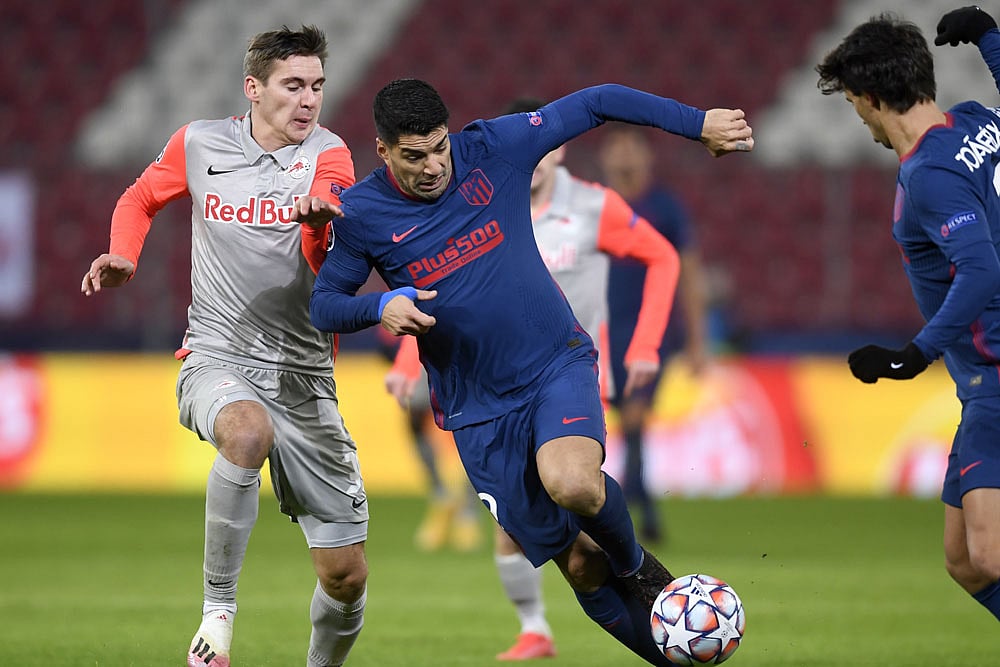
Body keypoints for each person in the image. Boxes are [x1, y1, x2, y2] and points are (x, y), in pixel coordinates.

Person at [309, 78, 752, 665]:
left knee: (574, 483)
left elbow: (597, 101)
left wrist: (697, 124)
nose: (434, 166)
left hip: (553, 364)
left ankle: (644, 574)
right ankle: (675, 658)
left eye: (440, 147)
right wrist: (379, 306)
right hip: (477, 410)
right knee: (581, 564)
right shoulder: (363, 214)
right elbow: (324, 305)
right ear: (383, 150)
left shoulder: (495, 147)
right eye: (414, 156)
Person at [81, 26, 369, 667]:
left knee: (346, 576)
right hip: (218, 353)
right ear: (253, 88)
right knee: (245, 431)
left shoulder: (330, 155)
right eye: (293, 85)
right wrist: (124, 254)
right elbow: (140, 197)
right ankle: (217, 617)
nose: (308, 100)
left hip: (303, 375)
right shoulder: (199, 142)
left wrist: (319, 229)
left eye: (317, 86)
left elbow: (331, 267)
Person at [388, 95, 684, 660]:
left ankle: (643, 584)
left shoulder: (592, 206)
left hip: (565, 374)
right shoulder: (476, 208)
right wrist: (407, 364)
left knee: (574, 490)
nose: (535, 161)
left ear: (558, 149)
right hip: (494, 389)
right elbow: (438, 297)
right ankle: (538, 627)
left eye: (545, 150)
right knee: (529, 531)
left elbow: (663, 257)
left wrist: (646, 343)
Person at [817, 7, 1000, 623]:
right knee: (965, 561)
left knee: (990, 554)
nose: (859, 117)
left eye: (853, 104)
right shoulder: (976, 121)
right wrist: (990, 39)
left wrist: (913, 354)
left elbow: (980, 269)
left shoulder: (929, 174)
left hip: (996, 371)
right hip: (981, 381)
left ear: (871, 99)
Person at [598, 126, 709, 544]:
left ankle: (634, 513)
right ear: (605, 158)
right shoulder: (592, 205)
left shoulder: (665, 209)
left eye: (632, 148)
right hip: (600, 332)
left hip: (652, 331)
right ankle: (640, 508)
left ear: (648, 157)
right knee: (618, 423)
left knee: (635, 416)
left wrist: (698, 341)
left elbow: (689, 274)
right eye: (618, 149)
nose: (625, 157)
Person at [382, 337, 483, 553]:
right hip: (423, 351)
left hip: (466, 351)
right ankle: (442, 496)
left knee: (472, 426)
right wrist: (403, 363)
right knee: (416, 421)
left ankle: (467, 512)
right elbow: (391, 335)